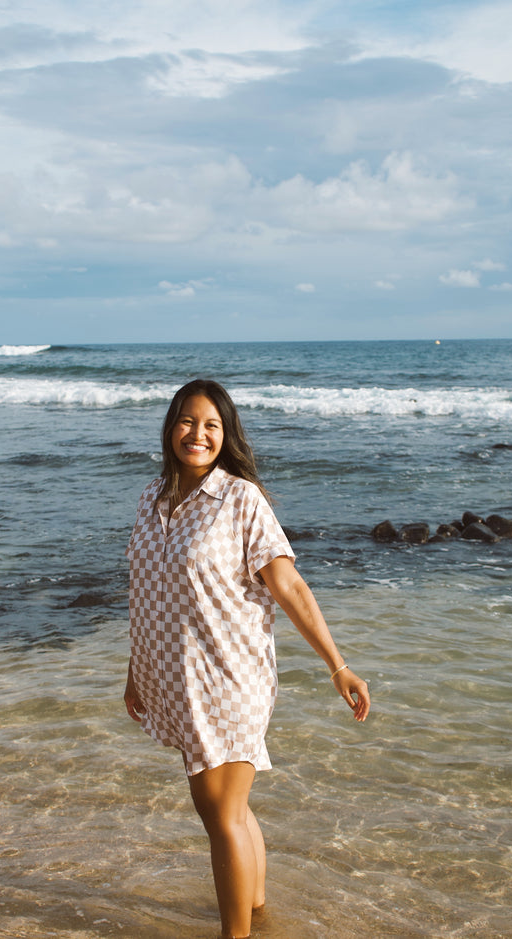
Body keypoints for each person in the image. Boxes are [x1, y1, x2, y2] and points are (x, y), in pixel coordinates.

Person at [125, 378, 370, 939]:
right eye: (188, 421)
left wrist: (338, 665)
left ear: (226, 435)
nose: (198, 434)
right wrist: (135, 672)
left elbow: (290, 587)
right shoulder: (152, 497)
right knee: (229, 810)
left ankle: (235, 933)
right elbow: (146, 590)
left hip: (228, 678)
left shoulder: (240, 500)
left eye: (212, 425)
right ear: (170, 428)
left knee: (220, 813)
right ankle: (256, 907)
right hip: (175, 680)